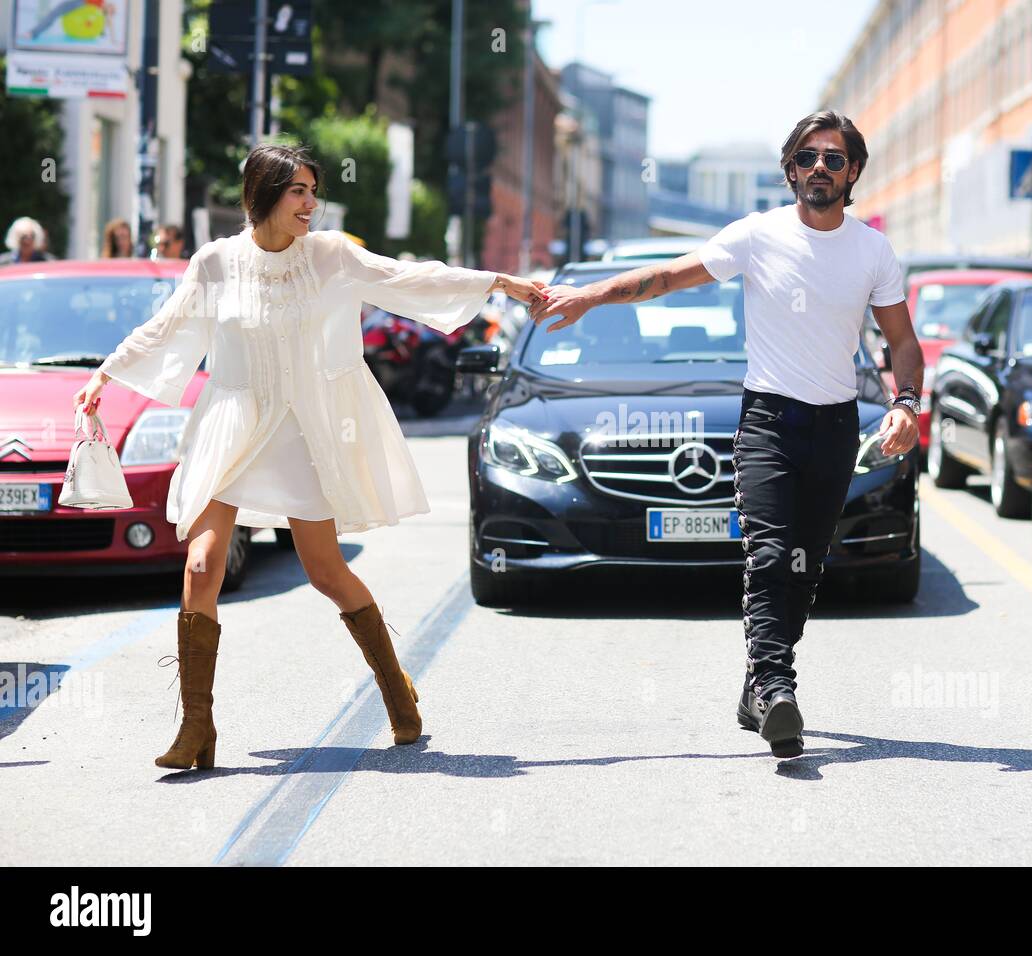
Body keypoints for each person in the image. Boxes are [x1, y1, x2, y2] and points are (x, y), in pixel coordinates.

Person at [74, 143, 547, 770]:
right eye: (298, 191)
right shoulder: (215, 263)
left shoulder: (331, 257)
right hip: (233, 422)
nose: (310, 204)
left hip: (301, 431)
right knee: (200, 567)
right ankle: (196, 725)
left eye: (311, 191)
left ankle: (394, 685)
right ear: (264, 194)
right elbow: (167, 327)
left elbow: (406, 279)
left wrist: (495, 282)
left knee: (324, 571)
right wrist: (106, 374)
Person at [529, 111, 923, 758]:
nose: (818, 167)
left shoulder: (873, 252)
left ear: (853, 172)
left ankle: (755, 689)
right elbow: (666, 277)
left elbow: (902, 342)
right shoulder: (756, 235)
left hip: (836, 425)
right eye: (806, 157)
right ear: (790, 169)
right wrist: (591, 295)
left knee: (803, 567)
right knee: (769, 556)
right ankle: (776, 687)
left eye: (833, 158)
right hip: (768, 421)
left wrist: (906, 402)